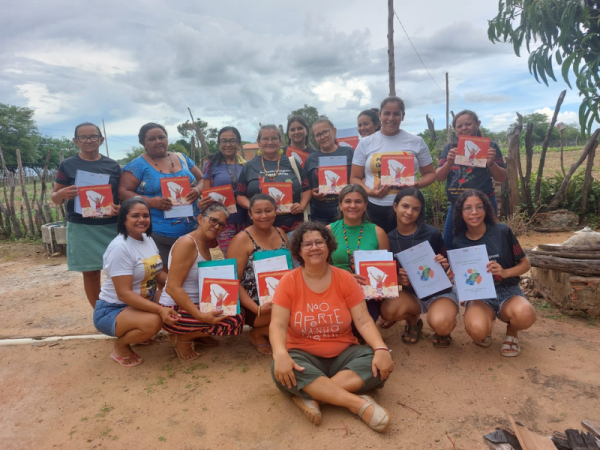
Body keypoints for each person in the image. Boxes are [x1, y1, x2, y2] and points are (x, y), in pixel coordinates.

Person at [270, 221, 393, 432]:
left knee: (375, 362)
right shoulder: (288, 281)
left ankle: (314, 395)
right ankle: (357, 404)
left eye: (319, 242)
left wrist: (381, 348)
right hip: (302, 354)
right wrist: (280, 353)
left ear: (329, 247)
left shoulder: (345, 278)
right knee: (279, 368)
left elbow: (363, 321)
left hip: (344, 352)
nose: (314, 247)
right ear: (299, 250)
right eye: (307, 244)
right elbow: (278, 325)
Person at [93, 198, 180, 367]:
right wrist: (160, 310)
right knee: (155, 321)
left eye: (146, 215)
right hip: (113, 309)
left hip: (143, 300)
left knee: (176, 299)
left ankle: (139, 331)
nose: (142, 219)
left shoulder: (147, 239)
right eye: (135, 215)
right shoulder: (120, 247)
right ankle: (121, 345)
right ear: (124, 220)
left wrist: (177, 285)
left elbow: (156, 273)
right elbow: (123, 293)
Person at [452, 190, 536, 357]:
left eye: (479, 207)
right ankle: (485, 324)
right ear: (461, 213)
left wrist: (505, 272)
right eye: (468, 208)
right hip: (479, 296)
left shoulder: (502, 231)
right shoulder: (458, 241)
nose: (474, 212)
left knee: (526, 314)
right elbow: (461, 274)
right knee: (478, 330)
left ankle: (512, 333)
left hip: (508, 291)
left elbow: (525, 264)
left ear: (486, 209)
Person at [159, 204, 244, 361]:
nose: (217, 226)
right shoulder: (187, 243)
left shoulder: (208, 244)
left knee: (235, 309)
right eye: (213, 220)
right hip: (175, 310)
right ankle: (183, 337)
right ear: (199, 218)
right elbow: (172, 288)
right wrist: (200, 315)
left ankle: (197, 333)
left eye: (221, 224)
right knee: (234, 320)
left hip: (196, 304)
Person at [51, 122, 122, 308]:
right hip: (82, 228)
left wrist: (119, 208)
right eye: (83, 137)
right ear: (76, 141)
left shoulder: (113, 166)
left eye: (93, 136)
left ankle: (120, 310)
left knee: (118, 271)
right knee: (90, 273)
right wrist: (60, 195)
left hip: (111, 226)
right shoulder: (67, 165)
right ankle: (100, 313)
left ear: (101, 139)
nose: (89, 140)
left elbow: (121, 196)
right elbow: (55, 197)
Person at [379, 188, 459, 347]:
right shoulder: (388, 239)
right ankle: (413, 321)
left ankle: (442, 327)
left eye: (416, 209)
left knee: (441, 324)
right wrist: (399, 279)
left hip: (439, 293)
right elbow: (389, 276)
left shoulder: (432, 233)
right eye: (405, 206)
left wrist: (444, 264)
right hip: (412, 295)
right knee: (387, 311)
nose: (409, 212)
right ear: (395, 206)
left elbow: (447, 264)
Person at [118, 123, 203, 268]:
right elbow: (123, 193)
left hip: (193, 232)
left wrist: (197, 190)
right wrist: (150, 202)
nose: (158, 141)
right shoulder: (138, 165)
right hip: (159, 234)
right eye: (152, 139)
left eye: (161, 137)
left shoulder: (182, 158)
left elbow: (202, 180)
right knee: (165, 278)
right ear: (142, 143)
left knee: (193, 276)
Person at [351, 96, 436, 233]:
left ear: (402, 116)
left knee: (408, 249)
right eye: (387, 113)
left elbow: (430, 173)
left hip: (409, 208)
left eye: (396, 113)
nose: (391, 118)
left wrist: (416, 185)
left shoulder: (416, 141)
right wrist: (371, 192)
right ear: (379, 115)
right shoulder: (365, 143)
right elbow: (354, 178)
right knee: (378, 250)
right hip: (375, 207)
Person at [226, 194, 289, 355]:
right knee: (298, 319)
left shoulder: (281, 233)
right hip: (255, 306)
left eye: (268, 211)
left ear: (276, 212)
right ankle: (259, 332)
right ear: (250, 214)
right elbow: (232, 282)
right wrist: (258, 309)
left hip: (281, 297)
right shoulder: (241, 239)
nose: (264, 216)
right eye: (258, 212)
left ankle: (269, 331)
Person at [436, 110, 507, 250]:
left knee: (488, 244)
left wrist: (491, 163)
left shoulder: (490, 147)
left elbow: (502, 177)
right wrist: (448, 162)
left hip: (484, 205)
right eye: (459, 126)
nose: (464, 128)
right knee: (449, 244)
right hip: (457, 205)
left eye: (468, 124)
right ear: (455, 129)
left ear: (478, 124)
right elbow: (438, 177)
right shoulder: (450, 148)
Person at [327, 184, 389, 326]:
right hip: (336, 289)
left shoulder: (378, 232)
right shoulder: (328, 231)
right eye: (348, 201)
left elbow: (385, 269)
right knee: (339, 323)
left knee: (358, 327)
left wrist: (380, 288)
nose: (353, 206)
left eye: (358, 201)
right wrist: (344, 278)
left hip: (367, 293)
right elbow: (320, 268)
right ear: (340, 205)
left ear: (365, 205)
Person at [236, 125, 311, 236]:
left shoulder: (292, 162)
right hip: (260, 228)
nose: (270, 142)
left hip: (293, 228)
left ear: (280, 141)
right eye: (265, 139)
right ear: (259, 142)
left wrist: (301, 206)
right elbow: (240, 196)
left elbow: (307, 189)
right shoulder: (249, 166)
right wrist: (254, 208)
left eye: (274, 138)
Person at [200, 126, 247, 254]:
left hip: (246, 219)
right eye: (224, 141)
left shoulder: (246, 165)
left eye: (232, 140)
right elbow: (206, 194)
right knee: (231, 256)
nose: (228, 144)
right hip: (224, 222)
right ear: (219, 143)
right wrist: (203, 204)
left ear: (239, 143)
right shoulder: (211, 165)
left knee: (248, 256)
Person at [304, 118, 354, 224]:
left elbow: (358, 177)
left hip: (346, 209)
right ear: (314, 138)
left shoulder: (349, 153)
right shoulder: (311, 158)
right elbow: (307, 186)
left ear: (334, 131)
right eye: (318, 135)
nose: (322, 137)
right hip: (320, 212)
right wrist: (313, 194)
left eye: (325, 132)